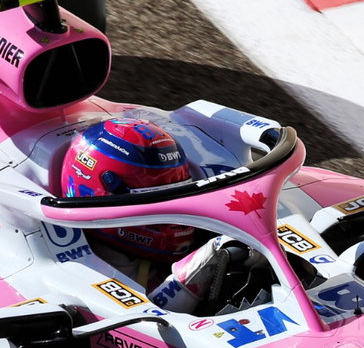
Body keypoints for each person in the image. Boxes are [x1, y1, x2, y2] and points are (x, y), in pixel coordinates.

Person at [58, 116, 269, 314]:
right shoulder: (81, 270)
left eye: (178, 191)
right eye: (158, 198)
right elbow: (146, 323)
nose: (175, 209)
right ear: (100, 196)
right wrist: (196, 272)